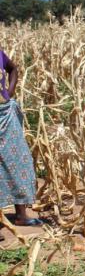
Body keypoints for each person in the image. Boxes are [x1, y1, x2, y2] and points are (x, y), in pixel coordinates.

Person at [0, 49, 42, 241]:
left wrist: (9, 93)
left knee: (19, 161)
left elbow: (13, 68)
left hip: (5, 114)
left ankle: (21, 216)